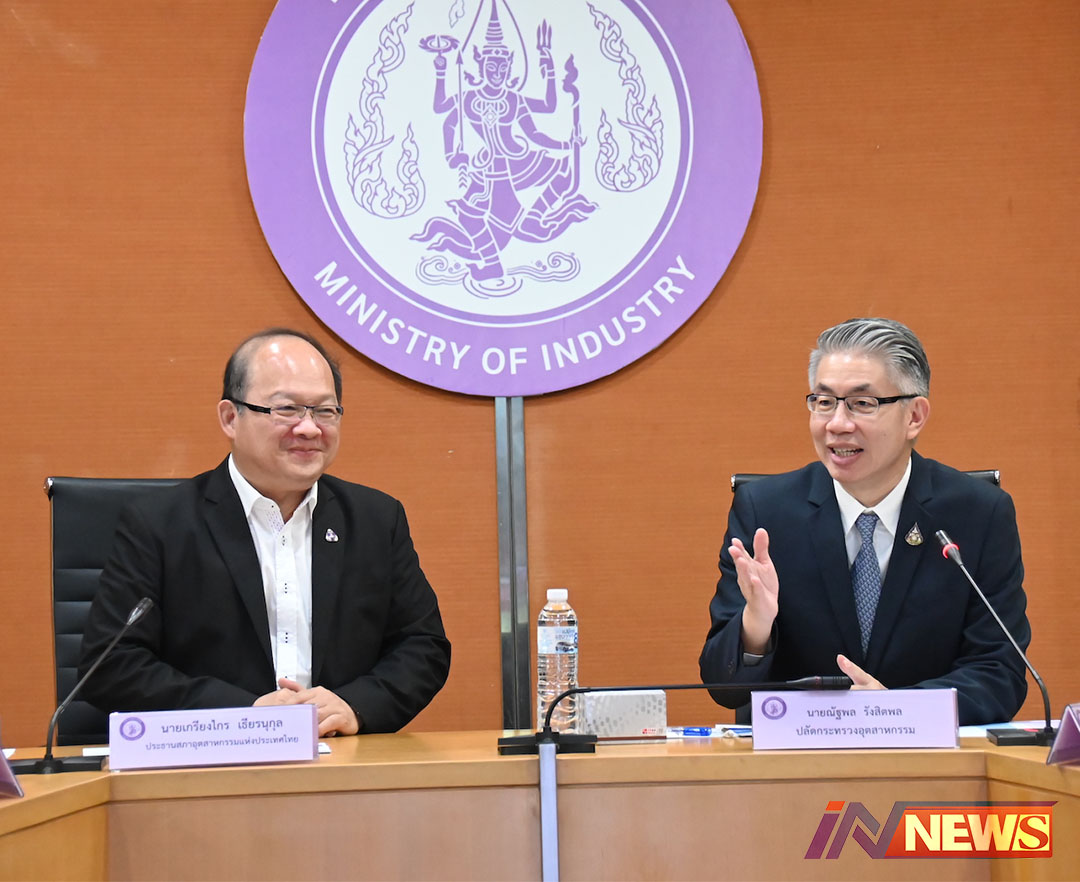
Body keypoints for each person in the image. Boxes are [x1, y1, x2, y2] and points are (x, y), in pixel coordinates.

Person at [79, 329, 451, 735]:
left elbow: (423, 647)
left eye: (325, 411)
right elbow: (112, 665)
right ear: (230, 418)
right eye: (287, 409)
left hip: (342, 758)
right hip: (211, 758)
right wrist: (246, 712)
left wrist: (355, 706)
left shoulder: (375, 519)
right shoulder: (159, 524)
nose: (309, 428)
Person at [699, 317, 1030, 725]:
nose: (837, 423)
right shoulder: (766, 513)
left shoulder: (978, 514)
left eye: (862, 403)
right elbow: (723, 687)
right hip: (800, 757)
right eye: (824, 402)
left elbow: (999, 673)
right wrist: (756, 626)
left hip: (929, 758)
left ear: (914, 416)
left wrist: (895, 710)